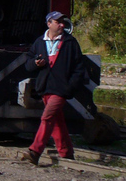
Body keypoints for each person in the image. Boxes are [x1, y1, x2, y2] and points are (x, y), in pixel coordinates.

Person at [22, 11, 87, 165]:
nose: (62, 25)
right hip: (45, 88)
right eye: (58, 22)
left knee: (47, 117)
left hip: (61, 89)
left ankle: (35, 151)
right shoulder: (39, 42)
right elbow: (28, 63)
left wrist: (70, 87)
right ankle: (67, 153)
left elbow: (79, 68)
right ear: (49, 24)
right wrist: (35, 64)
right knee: (57, 121)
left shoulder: (71, 43)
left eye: (62, 22)